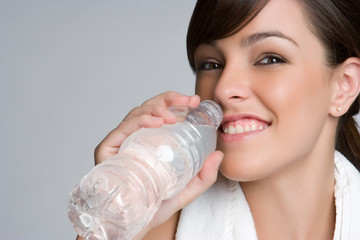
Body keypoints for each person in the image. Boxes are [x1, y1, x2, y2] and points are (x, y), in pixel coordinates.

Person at [77, 0, 360, 239]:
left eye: (270, 59)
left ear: (344, 85)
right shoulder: (151, 228)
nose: (223, 89)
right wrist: (112, 219)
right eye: (211, 64)